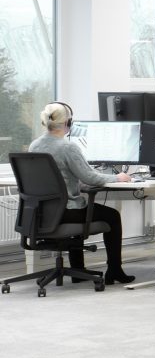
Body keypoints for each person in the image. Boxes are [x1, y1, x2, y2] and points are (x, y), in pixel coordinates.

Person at [29, 102, 138, 284]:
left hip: (42, 212)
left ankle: (78, 270)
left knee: (81, 203)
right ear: (68, 123)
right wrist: (118, 178)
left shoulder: (34, 145)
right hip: (66, 211)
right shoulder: (67, 147)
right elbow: (90, 177)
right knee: (112, 215)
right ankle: (115, 270)